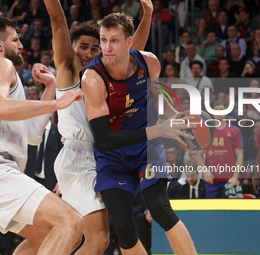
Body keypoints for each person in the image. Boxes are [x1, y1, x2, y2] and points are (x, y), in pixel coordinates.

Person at [0, 16, 84, 254]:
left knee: (45, 237)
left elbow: (33, 135)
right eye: (15, 39)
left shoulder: (0, 75)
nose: (21, 45)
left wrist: (51, 89)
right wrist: (57, 105)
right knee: (71, 222)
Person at [44, 0, 155, 254]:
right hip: (77, 155)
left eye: (96, 48)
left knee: (85, 237)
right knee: (99, 239)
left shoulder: (104, 76)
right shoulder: (69, 71)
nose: (89, 52)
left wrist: (147, 14)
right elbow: (58, 20)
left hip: (102, 157)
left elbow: (132, 49)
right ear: (71, 49)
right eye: (83, 46)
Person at [81, 12, 197, 254]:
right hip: (112, 155)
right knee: (123, 225)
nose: (106, 47)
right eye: (103, 40)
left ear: (129, 42)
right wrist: (158, 129)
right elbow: (103, 139)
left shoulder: (149, 62)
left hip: (147, 150)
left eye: (114, 40)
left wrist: (175, 119)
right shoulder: (93, 78)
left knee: (160, 210)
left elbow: (158, 100)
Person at [197, 101, 244, 198]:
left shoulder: (235, 130)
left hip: (229, 177)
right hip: (211, 178)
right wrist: (205, 171)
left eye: (221, 110)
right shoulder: (207, 130)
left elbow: (240, 156)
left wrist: (235, 176)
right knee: (212, 211)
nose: (219, 112)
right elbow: (198, 154)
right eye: (216, 110)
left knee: (230, 210)